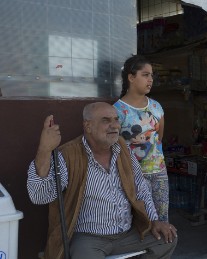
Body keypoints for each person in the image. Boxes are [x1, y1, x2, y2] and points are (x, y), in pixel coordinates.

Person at [26, 102, 177, 259]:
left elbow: (141, 187)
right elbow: (40, 196)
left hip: (127, 235)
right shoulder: (68, 155)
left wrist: (153, 220)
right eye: (106, 120)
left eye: (116, 120)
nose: (114, 126)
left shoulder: (123, 149)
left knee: (168, 239)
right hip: (89, 238)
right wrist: (45, 149)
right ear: (88, 126)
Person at [113, 55, 170, 222]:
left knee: (162, 218)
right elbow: (114, 147)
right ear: (131, 77)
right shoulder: (117, 110)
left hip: (159, 172)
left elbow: (159, 137)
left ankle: (161, 249)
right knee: (141, 220)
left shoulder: (156, 106)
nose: (150, 79)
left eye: (151, 75)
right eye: (145, 75)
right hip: (133, 175)